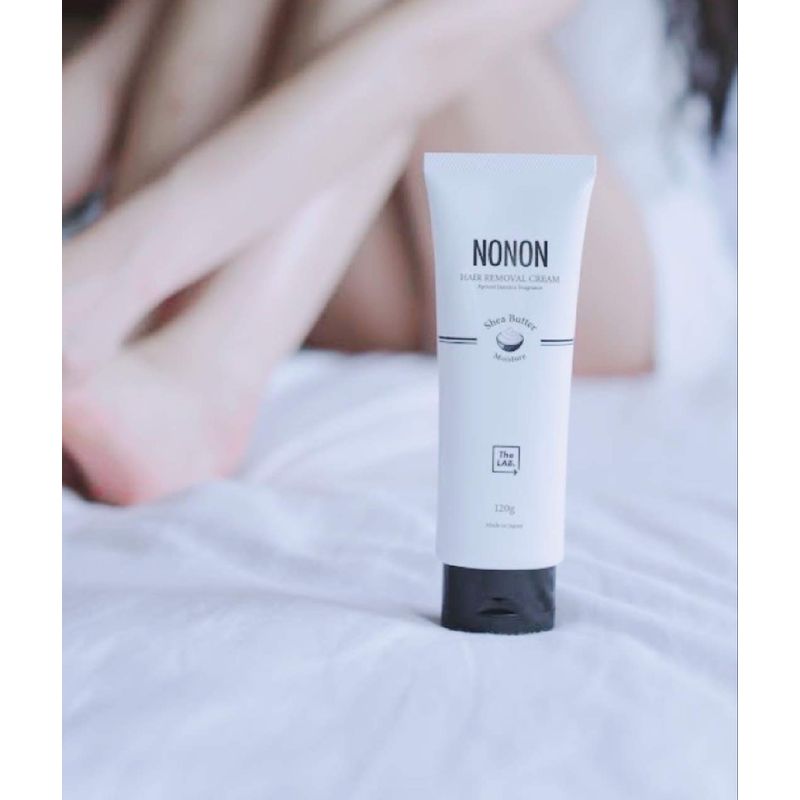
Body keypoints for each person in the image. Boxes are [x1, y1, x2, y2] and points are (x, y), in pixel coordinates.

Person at [62, 0, 736, 504]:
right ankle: (134, 342)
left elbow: (429, 52)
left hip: (603, 277)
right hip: (411, 237)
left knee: (403, 35)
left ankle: (205, 374)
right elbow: (110, 77)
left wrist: (107, 271)